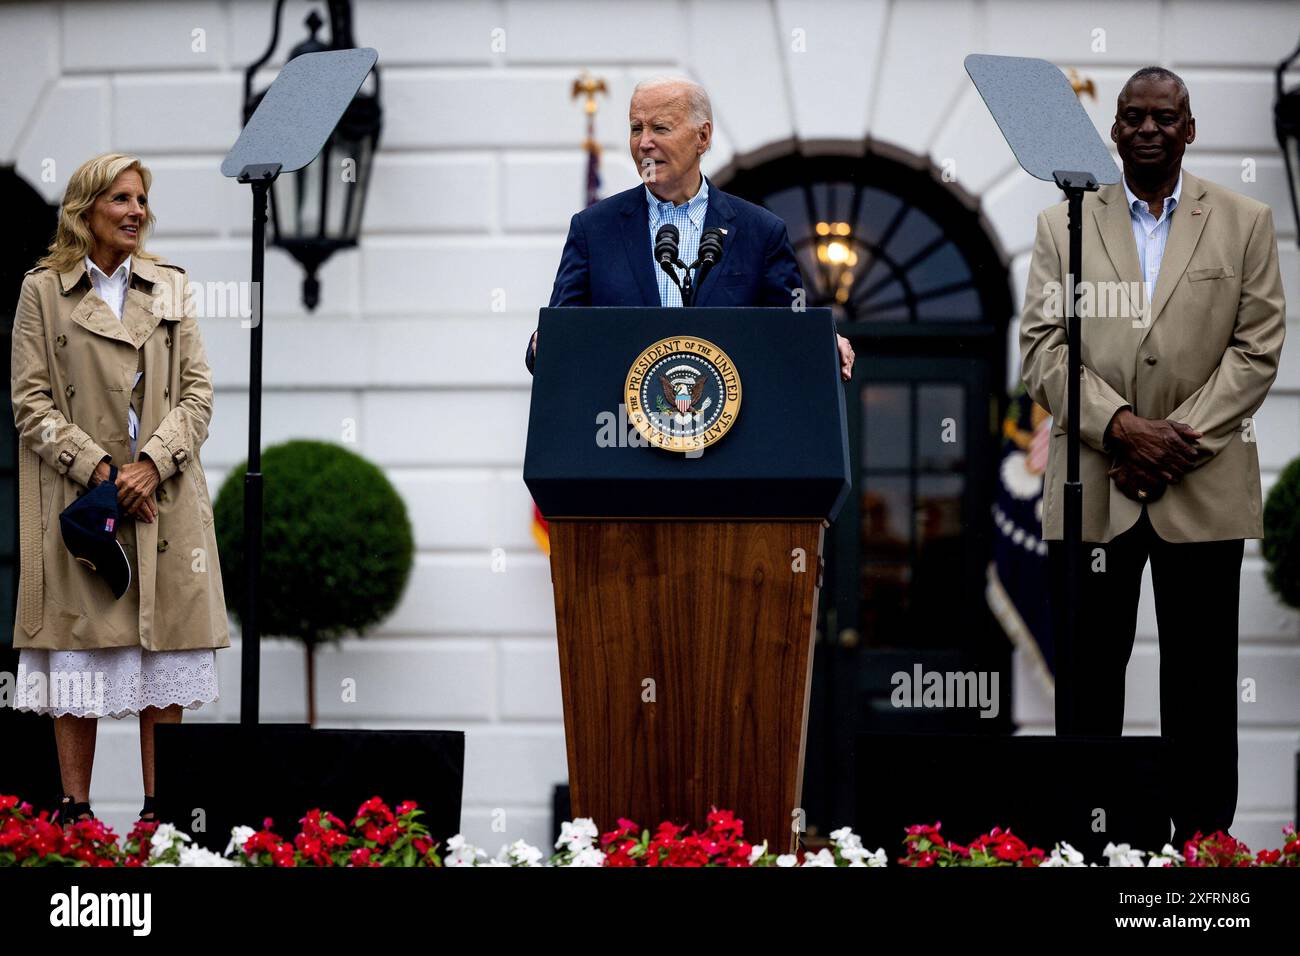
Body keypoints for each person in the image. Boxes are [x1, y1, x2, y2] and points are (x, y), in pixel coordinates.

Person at [1019, 68, 1286, 845]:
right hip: (1094, 485)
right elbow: (1043, 349)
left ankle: (1205, 849)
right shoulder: (1062, 225)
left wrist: (1172, 443)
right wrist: (1123, 428)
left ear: (1189, 129)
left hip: (1200, 489)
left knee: (1201, 686)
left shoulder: (1245, 221)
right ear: (1114, 131)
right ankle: (1086, 846)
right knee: (1090, 683)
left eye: (1163, 118)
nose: (1145, 129)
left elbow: (1256, 349)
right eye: (1131, 116)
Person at [9, 152, 231, 826]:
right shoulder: (43, 291)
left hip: (162, 504)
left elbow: (197, 395)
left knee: (160, 647)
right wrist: (103, 472)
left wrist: (151, 465)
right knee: (79, 655)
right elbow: (30, 401)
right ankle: (74, 814)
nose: (136, 211)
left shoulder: (169, 286)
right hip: (83, 507)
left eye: (141, 199)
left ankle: (157, 820)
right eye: (121, 199)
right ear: (86, 210)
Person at [526, 75, 855, 381]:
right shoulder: (594, 229)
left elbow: (790, 329)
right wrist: (543, 342)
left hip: (729, 435)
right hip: (620, 432)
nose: (644, 143)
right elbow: (560, 329)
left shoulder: (760, 232)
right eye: (636, 128)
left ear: (703, 136)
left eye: (660, 128)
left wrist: (821, 341)